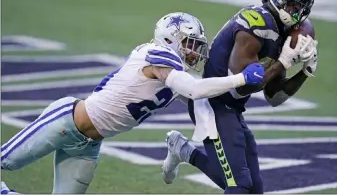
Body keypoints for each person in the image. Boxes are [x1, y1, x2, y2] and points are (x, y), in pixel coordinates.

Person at [1, 12, 265, 194]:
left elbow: (203, 98)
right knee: (5, 160)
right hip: (67, 122)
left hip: (88, 145)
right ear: (170, 38)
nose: (194, 51)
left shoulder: (172, 74)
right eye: (189, 43)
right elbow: (196, 90)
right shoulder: (157, 55)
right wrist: (240, 78)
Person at [162, 0, 318, 194]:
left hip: (231, 109)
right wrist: (283, 62)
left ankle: (185, 151)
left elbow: (273, 97)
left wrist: (305, 71)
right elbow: (243, 85)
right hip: (212, 104)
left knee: (253, 189)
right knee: (239, 184)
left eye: (301, 4)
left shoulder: (281, 32)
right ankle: (185, 151)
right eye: (293, 1)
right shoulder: (256, 22)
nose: (297, 9)